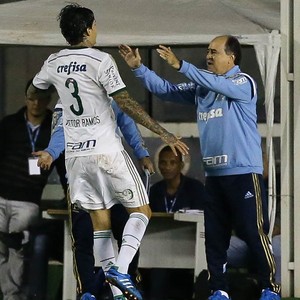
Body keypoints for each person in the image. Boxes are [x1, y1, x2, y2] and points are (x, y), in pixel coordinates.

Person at [27, 4, 189, 300]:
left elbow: (35, 92)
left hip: (77, 160)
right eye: (95, 25)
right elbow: (126, 106)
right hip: (107, 153)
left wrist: (42, 100)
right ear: (88, 29)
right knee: (142, 211)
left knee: (100, 223)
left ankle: (116, 295)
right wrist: (163, 133)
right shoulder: (101, 60)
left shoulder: (53, 63)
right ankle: (121, 269)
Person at [118, 35, 280, 300]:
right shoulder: (202, 87)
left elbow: (215, 82)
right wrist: (139, 68)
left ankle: (269, 288)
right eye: (207, 51)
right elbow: (165, 90)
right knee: (214, 237)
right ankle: (219, 289)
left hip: (242, 175)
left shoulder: (243, 82)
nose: (209, 55)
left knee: (253, 231)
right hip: (214, 177)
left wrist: (181, 65)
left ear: (232, 57)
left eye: (214, 51)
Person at [35, 99, 155, 300]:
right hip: (102, 175)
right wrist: (52, 152)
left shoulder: (98, 90)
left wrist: (141, 152)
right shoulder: (73, 96)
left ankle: (122, 286)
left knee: (111, 230)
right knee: (87, 238)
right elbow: (60, 131)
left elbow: (125, 120)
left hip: (90, 177)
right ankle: (94, 290)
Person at [0, 79, 67, 300]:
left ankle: (13, 297)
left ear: (48, 100)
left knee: (18, 249)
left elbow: (64, 167)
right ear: (25, 98)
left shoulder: (55, 131)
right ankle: (9, 294)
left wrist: (71, 196)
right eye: (31, 98)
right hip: (0, 196)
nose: (35, 103)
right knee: (1, 251)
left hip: (28, 200)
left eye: (40, 98)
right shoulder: (9, 124)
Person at [143, 145, 206, 300]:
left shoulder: (195, 188)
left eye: (172, 162)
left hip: (190, 247)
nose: (167, 167)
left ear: (181, 165)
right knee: (157, 274)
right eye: (163, 163)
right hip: (158, 250)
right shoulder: (154, 191)